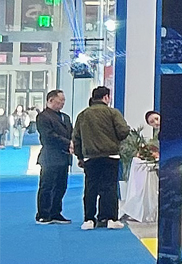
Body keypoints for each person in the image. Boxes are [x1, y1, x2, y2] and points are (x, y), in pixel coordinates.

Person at [72, 87, 129, 230]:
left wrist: (80, 156)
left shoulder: (83, 115)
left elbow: (76, 138)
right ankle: (109, 218)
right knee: (109, 187)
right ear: (106, 97)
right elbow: (123, 131)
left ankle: (89, 219)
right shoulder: (112, 112)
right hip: (110, 155)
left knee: (90, 188)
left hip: (90, 157)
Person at [33, 91, 72, 225]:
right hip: (50, 157)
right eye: (60, 100)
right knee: (47, 186)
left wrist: (74, 144)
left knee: (61, 186)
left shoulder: (65, 117)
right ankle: (43, 214)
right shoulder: (43, 117)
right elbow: (48, 136)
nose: (63, 103)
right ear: (50, 100)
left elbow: (71, 134)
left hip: (64, 157)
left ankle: (56, 212)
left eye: (64, 100)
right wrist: (68, 143)